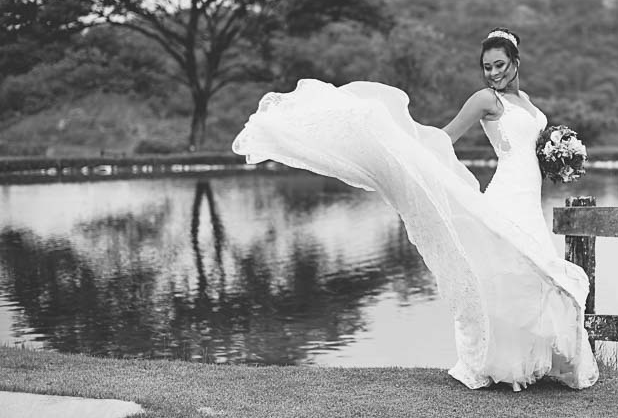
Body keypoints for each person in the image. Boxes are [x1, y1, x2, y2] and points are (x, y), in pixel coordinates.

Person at [232, 27, 599, 391]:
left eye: (499, 65)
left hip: (529, 199)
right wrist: (406, 151)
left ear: (516, 62)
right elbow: (447, 136)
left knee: (534, 277)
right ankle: (500, 363)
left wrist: (558, 157)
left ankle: (533, 362)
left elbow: (528, 150)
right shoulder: (486, 100)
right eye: (487, 67)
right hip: (506, 196)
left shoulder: (527, 101)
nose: (493, 73)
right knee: (512, 272)